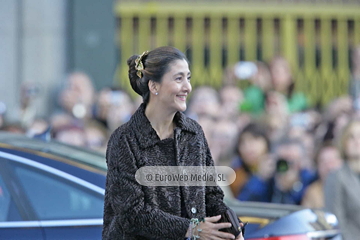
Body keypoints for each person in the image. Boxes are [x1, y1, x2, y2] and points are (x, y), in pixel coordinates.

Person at [102, 46, 244, 240]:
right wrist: (191, 228)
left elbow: (211, 194)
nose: (187, 87)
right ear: (154, 86)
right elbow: (131, 213)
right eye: (179, 79)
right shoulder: (125, 139)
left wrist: (231, 227)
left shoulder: (193, 133)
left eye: (188, 78)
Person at [324, 120, 360, 240]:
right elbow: (337, 222)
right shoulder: (336, 177)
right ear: (343, 143)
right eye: (351, 137)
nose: (356, 141)